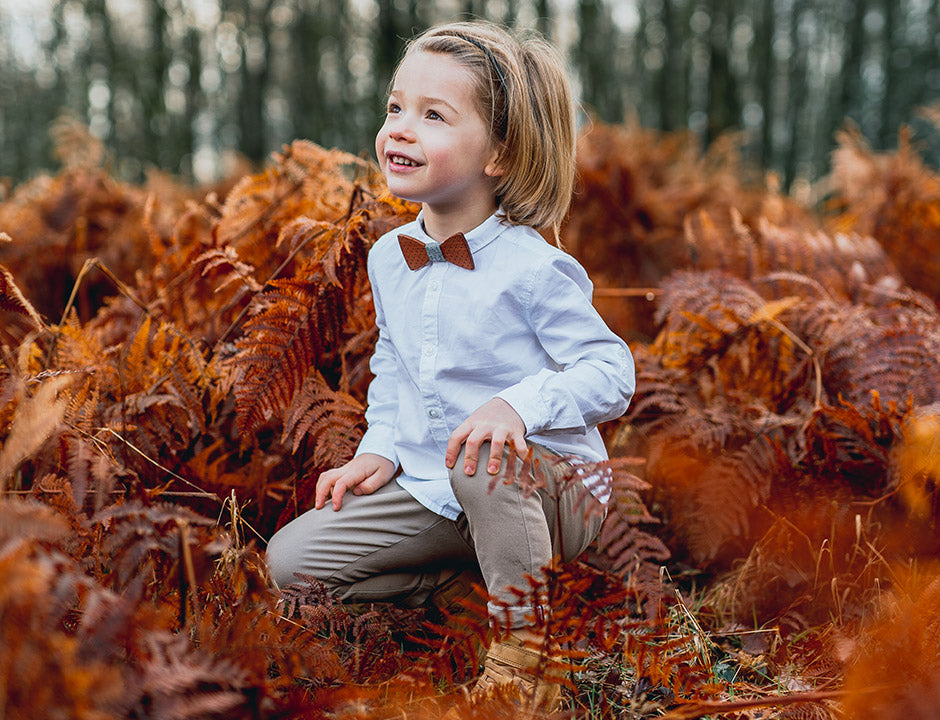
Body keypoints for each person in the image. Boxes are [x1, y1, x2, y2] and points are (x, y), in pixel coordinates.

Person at [266, 19, 635, 711]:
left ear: (499, 154)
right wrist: (377, 450)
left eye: (433, 116)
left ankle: (528, 663)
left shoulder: (534, 267)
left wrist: (516, 407)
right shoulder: (388, 256)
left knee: (483, 460)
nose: (400, 129)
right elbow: (394, 362)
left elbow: (612, 371)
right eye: (395, 107)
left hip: (548, 493)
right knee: (291, 564)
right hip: (437, 485)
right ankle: (466, 592)